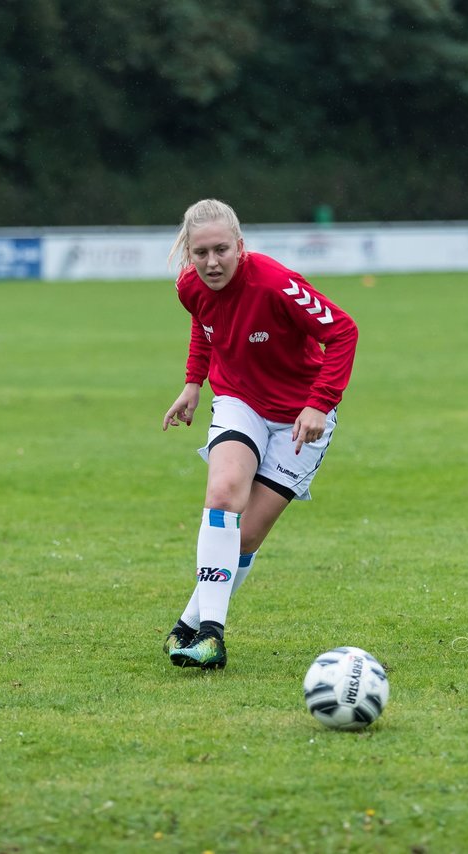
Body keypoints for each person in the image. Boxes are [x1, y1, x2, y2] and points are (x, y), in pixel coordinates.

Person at [160, 199, 359, 669]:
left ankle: (188, 625)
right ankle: (212, 636)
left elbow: (344, 332)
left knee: (246, 535)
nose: (211, 263)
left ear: (240, 246)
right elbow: (205, 327)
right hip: (240, 400)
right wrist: (194, 383)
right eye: (201, 252)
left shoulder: (276, 284)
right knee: (224, 493)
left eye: (221, 251)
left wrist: (319, 403)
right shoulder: (189, 285)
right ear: (189, 253)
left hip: (301, 416)